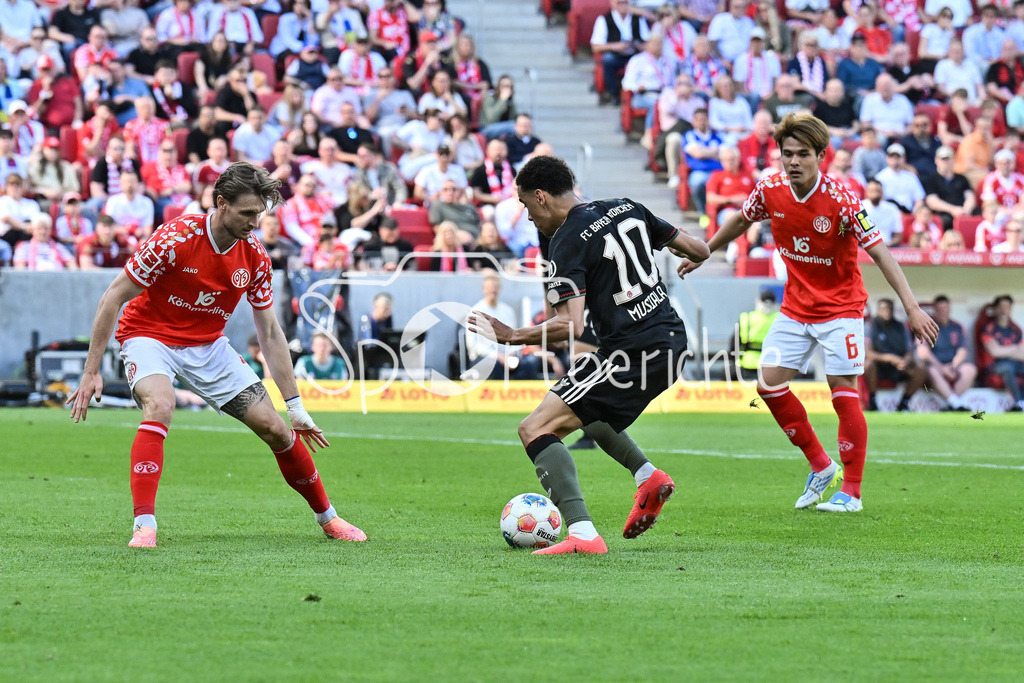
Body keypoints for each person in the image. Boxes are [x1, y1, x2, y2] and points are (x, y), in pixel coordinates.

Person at [67, 161, 367, 548]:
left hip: (208, 345)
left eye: (259, 214)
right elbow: (113, 296)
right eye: (246, 213)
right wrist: (92, 370)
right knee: (160, 405)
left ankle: (329, 518)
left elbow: (271, 332)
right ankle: (145, 525)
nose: (254, 223)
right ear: (221, 203)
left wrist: (294, 405)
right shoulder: (175, 237)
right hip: (149, 336)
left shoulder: (255, 257)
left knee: (276, 429)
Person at [678, 112, 939, 513]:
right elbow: (740, 219)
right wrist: (705, 250)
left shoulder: (842, 199)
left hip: (841, 308)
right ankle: (821, 466)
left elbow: (881, 252)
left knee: (842, 392)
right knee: (768, 384)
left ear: (821, 155)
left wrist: (911, 307)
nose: (794, 161)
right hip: (796, 307)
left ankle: (851, 491)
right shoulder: (770, 188)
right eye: (787, 154)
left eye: (802, 154)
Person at [468, 155, 709, 555]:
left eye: (527, 207)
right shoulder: (627, 206)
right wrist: (691, 260)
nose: (529, 219)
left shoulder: (566, 240)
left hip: (634, 351)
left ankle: (583, 536)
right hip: (670, 337)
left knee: (535, 429)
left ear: (541, 197)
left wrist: (513, 336)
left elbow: (571, 326)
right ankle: (647, 476)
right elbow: (698, 248)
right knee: (581, 409)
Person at [865, 297, 929, 412]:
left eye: (890, 308)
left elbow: (909, 350)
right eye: (884, 308)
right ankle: (873, 401)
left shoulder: (900, 326)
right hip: (879, 367)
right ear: (878, 310)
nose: (887, 311)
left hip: (899, 366)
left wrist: (905, 360)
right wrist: (889, 358)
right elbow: (867, 353)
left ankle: (904, 402)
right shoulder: (870, 325)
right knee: (869, 364)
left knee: (921, 368)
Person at [916, 295, 977, 411]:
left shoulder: (957, 327)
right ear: (935, 310)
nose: (943, 312)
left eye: (945, 309)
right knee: (931, 370)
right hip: (936, 366)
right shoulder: (927, 326)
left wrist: (953, 366)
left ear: (949, 309)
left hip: (953, 365)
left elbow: (962, 351)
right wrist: (941, 368)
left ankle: (952, 403)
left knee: (970, 369)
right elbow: (922, 352)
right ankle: (955, 403)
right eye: (940, 309)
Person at [980, 294, 1024, 411]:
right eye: (1001, 306)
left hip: (1015, 363)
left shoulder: (1016, 330)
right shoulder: (988, 328)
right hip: (995, 365)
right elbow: (994, 352)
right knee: (1007, 367)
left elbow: (1022, 353)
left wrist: (1006, 350)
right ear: (995, 309)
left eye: (1007, 307)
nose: (1004, 310)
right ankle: (1018, 403)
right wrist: (1014, 348)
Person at [736, 287, 779, 381]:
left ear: (758, 301)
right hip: (773, 366)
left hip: (747, 365)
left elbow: (734, 345)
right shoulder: (781, 320)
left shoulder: (746, 318)